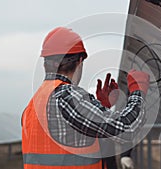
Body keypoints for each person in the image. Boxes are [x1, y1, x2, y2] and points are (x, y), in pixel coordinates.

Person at [21, 27, 150, 169]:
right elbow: (127, 130)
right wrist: (138, 90)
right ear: (80, 61)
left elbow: (71, 139)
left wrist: (102, 106)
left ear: (45, 64)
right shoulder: (66, 96)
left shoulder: (32, 105)